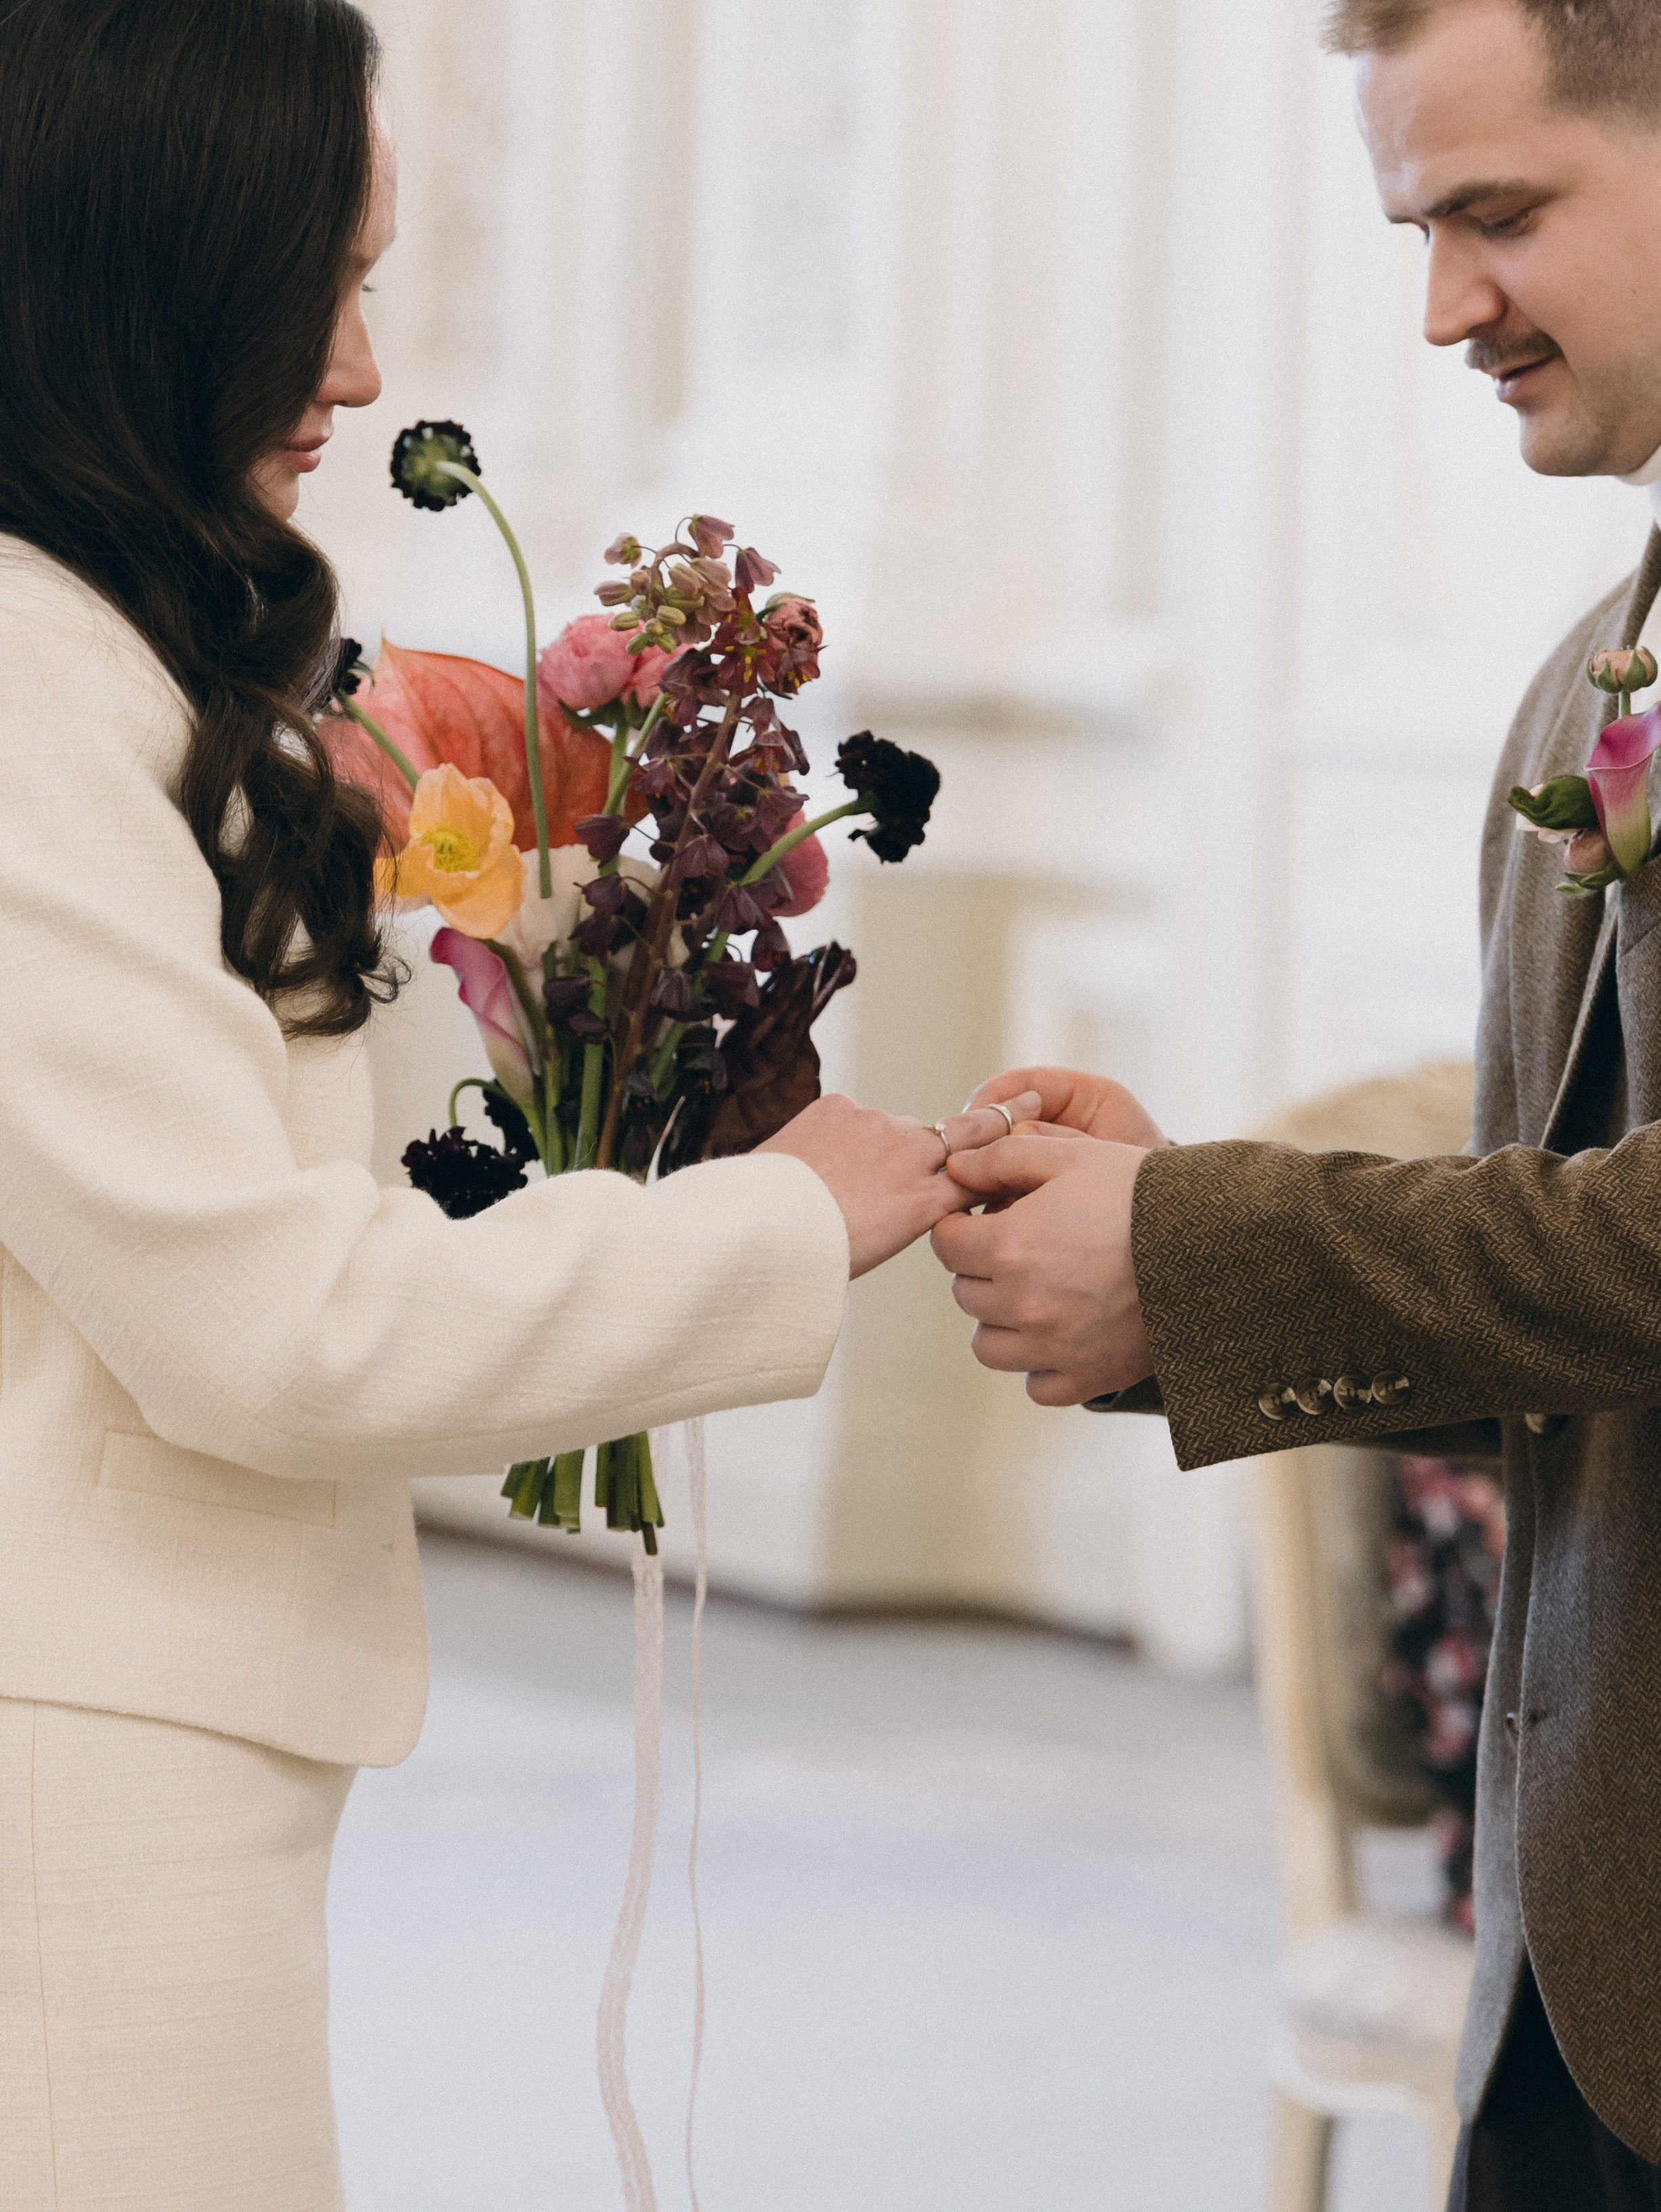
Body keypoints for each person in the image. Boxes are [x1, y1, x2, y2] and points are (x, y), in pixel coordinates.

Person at [0, 6, 1026, 2207]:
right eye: (327, 281)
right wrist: (777, 1221)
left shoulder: (118, 655)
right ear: (143, 269)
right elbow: (272, 1327)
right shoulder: (21, 698)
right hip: (68, 1784)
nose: (363, 374)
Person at [933, 3, 1661, 2207]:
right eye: (1417, 228)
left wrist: (1195, 1248)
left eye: (1499, 214)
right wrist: (1177, 1245)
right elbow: (1585, 1279)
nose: (1443, 306)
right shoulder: (1593, 675)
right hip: (1582, 1965)